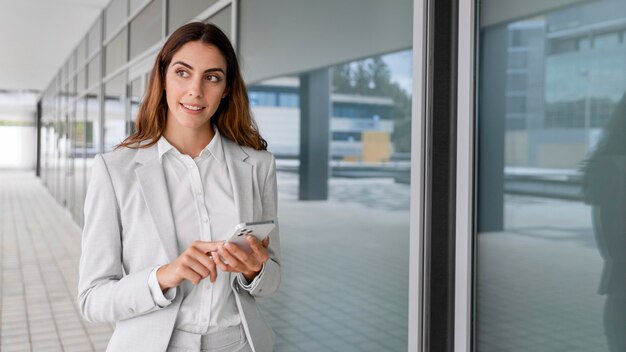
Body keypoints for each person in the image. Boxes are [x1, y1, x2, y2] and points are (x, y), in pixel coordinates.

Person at [77, 22, 280, 352]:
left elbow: (272, 281)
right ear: (163, 76)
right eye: (183, 73)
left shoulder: (257, 165)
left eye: (212, 77)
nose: (195, 91)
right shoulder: (115, 171)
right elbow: (92, 298)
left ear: (227, 87)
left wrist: (254, 270)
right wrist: (163, 276)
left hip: (238, 343)